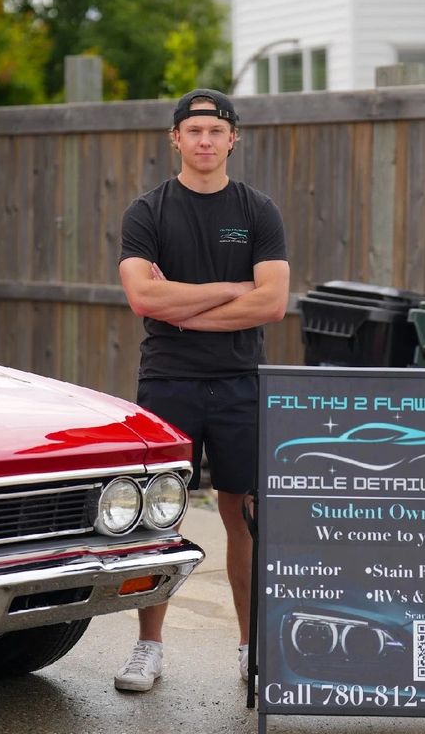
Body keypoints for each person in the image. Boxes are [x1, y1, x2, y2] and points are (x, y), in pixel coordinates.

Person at [116, 88, 289, 692]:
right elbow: (144, 298)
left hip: (241, 383)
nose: (206, 140)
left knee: (243, 516)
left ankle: (250, 649)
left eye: (217, 130)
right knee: (156, 517)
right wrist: (229, 289)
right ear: (176, 139)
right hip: (169, 379)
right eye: (194, 131)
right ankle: (148, 647)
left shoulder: (258, 210)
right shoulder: (148, 211)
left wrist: (182, 306)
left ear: (233, 138)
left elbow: (272, 303)